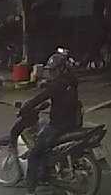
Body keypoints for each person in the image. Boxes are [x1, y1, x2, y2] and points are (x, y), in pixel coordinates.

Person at [19, 48, 80, 194]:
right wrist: (47, 84)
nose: (52, 73)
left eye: (54, 70)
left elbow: (41, 97)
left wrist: (27, 106)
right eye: (51, 70)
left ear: (61, 69)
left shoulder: (57, 85)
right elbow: (54, 90)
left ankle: (30, 189)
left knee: (34, 153)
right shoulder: (71, 81)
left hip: (58, 125)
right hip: (73, 122)